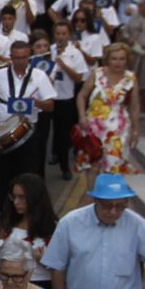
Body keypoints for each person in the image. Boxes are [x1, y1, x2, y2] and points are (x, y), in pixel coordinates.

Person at [0, 40, 55, 206]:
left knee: (29, 177)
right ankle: (4, 216)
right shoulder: (0, 75)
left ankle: (30, 216)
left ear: (29, 57)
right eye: (17, 58)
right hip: (4, 133)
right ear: (11, 57)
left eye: (24, 57)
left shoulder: (39, 76)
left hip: (29, 134)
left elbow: (50, 106)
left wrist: (37, 102)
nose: (21, 61)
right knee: (4, 178)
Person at [76, 42, 142, 176]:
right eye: (114, 58)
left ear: (127, 60)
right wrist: (82, 116)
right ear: (108, 59)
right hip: (94, 127)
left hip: (118, 130)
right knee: (93, 165)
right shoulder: (97, 73)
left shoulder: (131, 78)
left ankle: (109, 196)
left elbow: (134, 107)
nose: (118, 62)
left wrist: (136, 130)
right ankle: (91, 195)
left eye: (121, 59)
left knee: (113, 166)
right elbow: (82, 96)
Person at [48, 22, 90, 180]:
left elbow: (79, 77)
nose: (60, 37)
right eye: (57, 33)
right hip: (48, 97)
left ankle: (64, 167)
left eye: (63, 34)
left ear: (69, 35)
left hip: (65, 99)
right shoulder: (49, 50)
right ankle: (53, 156)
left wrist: (63, 65)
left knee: (62, 134)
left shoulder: (75, 53)